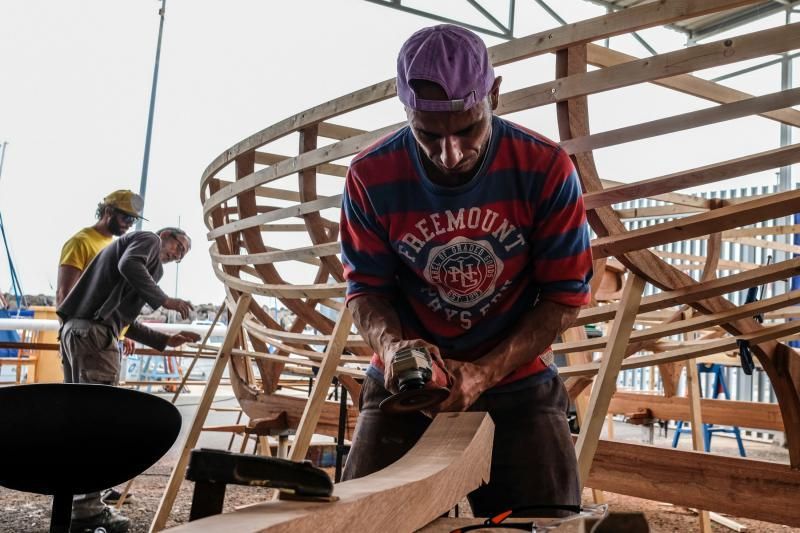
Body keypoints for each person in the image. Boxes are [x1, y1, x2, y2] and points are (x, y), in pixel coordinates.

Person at [340, 24, 593, 517]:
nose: (450, 154)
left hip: (516, 380)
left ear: (494, 95)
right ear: (405, 109)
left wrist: (484, 372)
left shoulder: (546, 168)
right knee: (360, 524)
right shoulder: (370, 174)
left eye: (467, 130)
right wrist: (394, 349)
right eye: (429, 136)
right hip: (405, 387)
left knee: (549, 523)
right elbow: (366, 290)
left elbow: (564, 296)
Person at [57, 227, 200, 533]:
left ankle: (73, 502)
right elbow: (129, 266)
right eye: (179, 245)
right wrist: (165, 300)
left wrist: (164, 340)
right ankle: (87, 510)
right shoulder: (146, 239)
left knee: (78, 421)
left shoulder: (146, 264)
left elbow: (124, 320)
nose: (178, 254)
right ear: (165, 234)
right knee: (98, 421)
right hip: (94, 335)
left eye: (183, 254)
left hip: (77, 331)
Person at [57, 189, 145, 356]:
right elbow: (64, 294)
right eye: (126, 217)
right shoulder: (81, 242)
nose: (129, 224)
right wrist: (72, 338)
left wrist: (122, 333)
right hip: (85, 338)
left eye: (133, 220)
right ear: (108, 211)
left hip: (107, 337)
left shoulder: (113, 247)